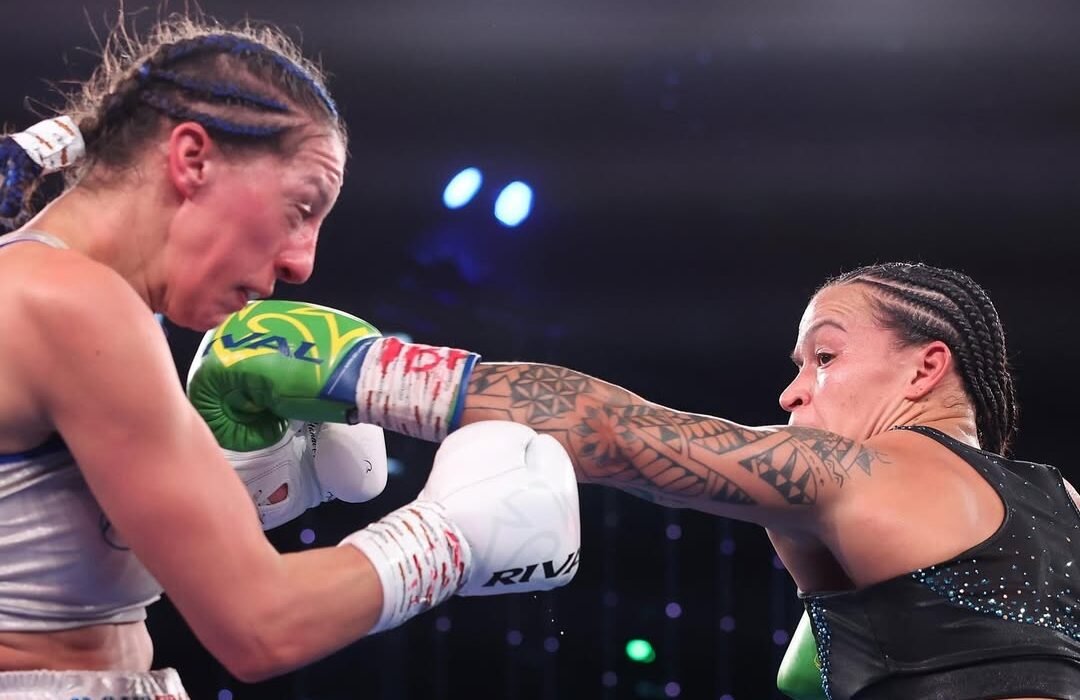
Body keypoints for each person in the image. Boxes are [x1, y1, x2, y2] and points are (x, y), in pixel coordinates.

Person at [0, 12, 580, 699]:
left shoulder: (45, 290)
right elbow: (260, 626)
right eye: (302, 208)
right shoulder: (69, 303)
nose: (303, 263)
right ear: (192, 159)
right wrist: (454, 536)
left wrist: (248, 493)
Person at [191, 262, 1080, 700]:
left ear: (926, 370)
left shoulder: (867, 474)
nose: (793, 389)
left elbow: (614, 432)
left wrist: (372, 374)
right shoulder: (1063, 503)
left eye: (826, 356)